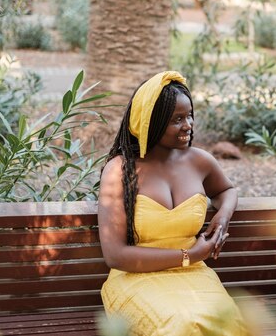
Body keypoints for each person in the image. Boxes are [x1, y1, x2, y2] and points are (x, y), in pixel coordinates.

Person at [98, 71, 249, 336]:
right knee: (180, 325)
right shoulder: (120, 170)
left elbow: (227, 190)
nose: (188, 125)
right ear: (150, 122)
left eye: (189, 115)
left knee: (226, 322)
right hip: (137, 278)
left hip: (195, 275)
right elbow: (115, 255)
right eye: (176, 119)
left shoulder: (199, 161)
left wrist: (223, 215)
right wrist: (189, 256)